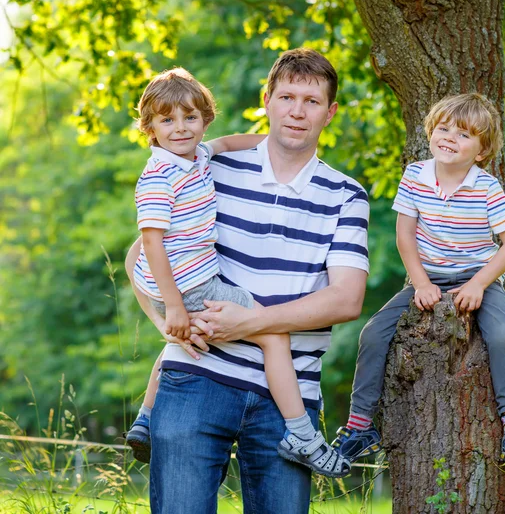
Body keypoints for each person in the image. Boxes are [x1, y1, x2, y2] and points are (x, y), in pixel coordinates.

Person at [126, 49, 369, 513]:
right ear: (267, 100)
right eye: (286, 97)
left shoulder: (346, 195)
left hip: (289, 396)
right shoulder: (208, 168)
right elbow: (139, 252)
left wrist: (249, 322)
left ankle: (303, 437)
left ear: (330, 112)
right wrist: (166, 324)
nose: (297, 111)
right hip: (196, 379)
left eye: (312, 102)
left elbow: (346, 299)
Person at [331, 93, 505, 466]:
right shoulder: (415, 175)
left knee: (502, 335)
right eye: (444, 128)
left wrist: (479, 284)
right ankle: (360, 425)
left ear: (481, 151)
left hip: (476, 276)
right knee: (373, 332)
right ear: (431, 131)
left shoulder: (486, 187)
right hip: (425, 276)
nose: (450, 138)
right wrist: (420, 283)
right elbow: (404, 236)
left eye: (464, 135)